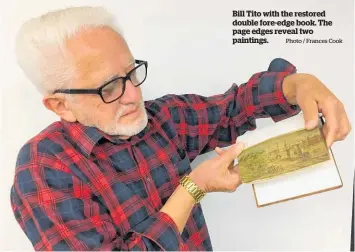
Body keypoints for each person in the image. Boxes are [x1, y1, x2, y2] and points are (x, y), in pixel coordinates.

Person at [10, 6, 351, 251]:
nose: (133, 95)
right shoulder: (44, 166)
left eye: (132, 73)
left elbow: (234, 107)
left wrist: (298, 84)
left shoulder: (164, 119)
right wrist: (193, 187)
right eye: (109, 87)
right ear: (61, 105)